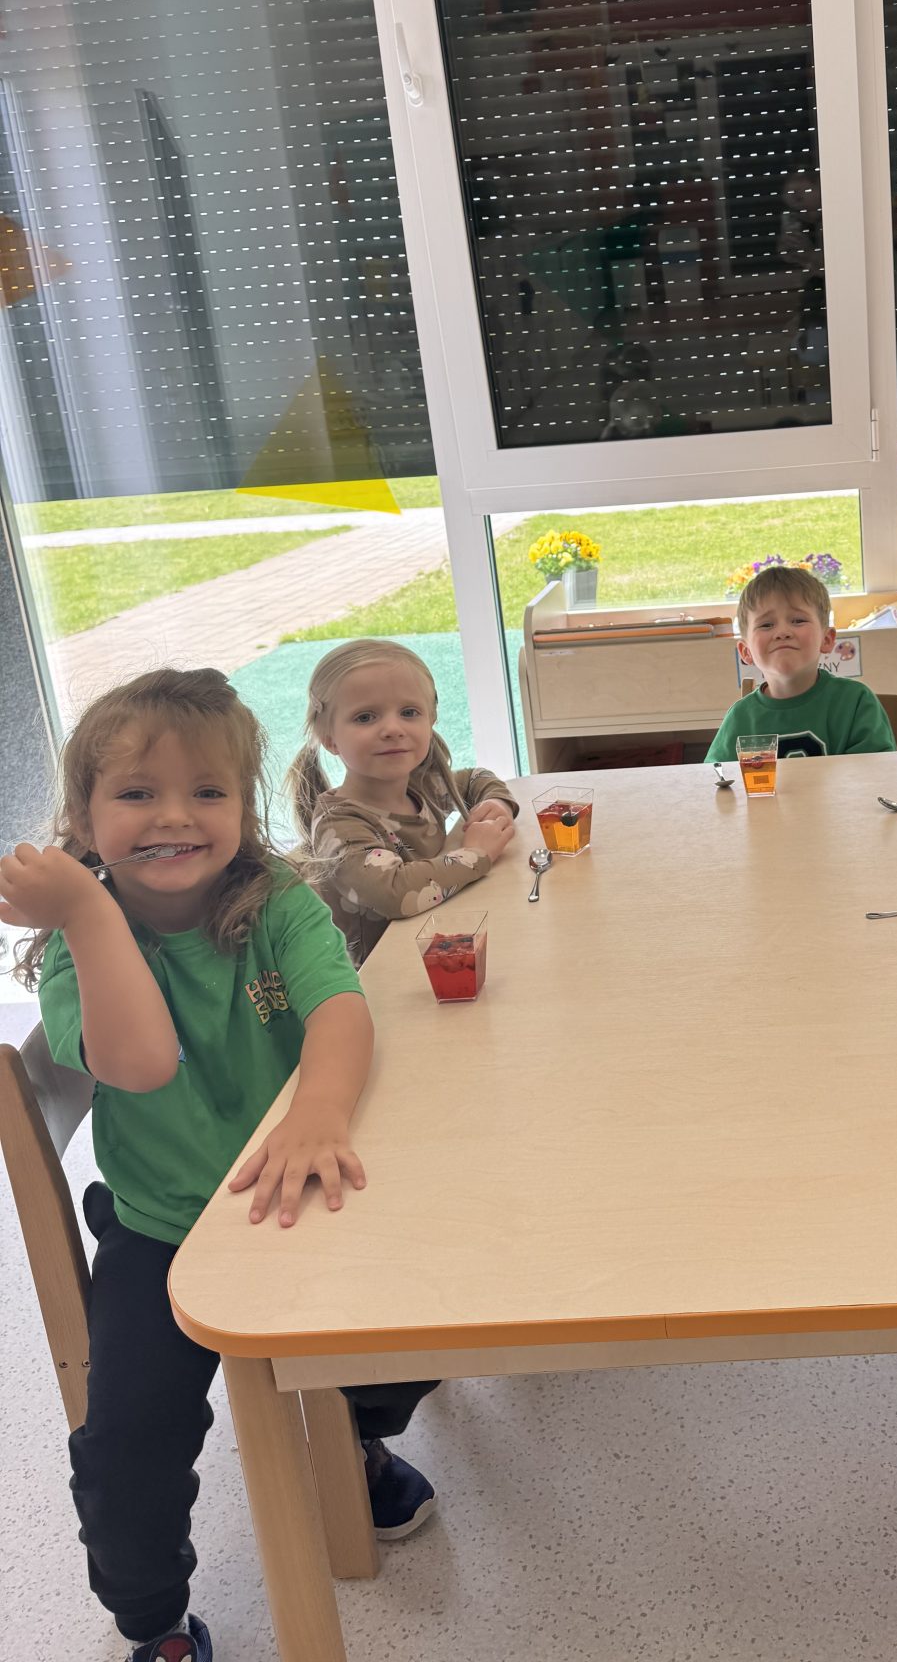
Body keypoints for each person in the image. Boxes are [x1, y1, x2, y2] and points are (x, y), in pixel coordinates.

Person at [0, 668, 438, 1662]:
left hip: (302, 1197)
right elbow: (143, 1063)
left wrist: (318, 1112)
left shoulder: (277, 899)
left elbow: (340, 1010)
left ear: (244, 806)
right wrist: (88, 912)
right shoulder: (79, 942)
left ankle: (357, 1437)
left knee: (425, 1328)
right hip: (163, 1229)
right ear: (84, 818)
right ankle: (153, 1620)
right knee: (126, 1449)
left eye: (207, 791)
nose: (174, 817)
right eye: (136, 793)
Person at [289, 639, 519, 966]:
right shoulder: (339, 824)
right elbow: (394, 892)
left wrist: (496, 803)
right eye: (365, 717)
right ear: (329, 739)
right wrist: (477, 854)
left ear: (431, 720)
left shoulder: (423, 788)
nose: (392, 729)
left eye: (409, 713)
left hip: (440, 946)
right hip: (384, 975)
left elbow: (474, 779)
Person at [706, 564, 896, 762]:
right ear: (746, 652)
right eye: (766, 624)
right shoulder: (740, 718)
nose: (782, 632)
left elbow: (875, 774)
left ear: (827, 639)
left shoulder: (855, 702)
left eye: (798, 620)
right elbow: (714, 776)